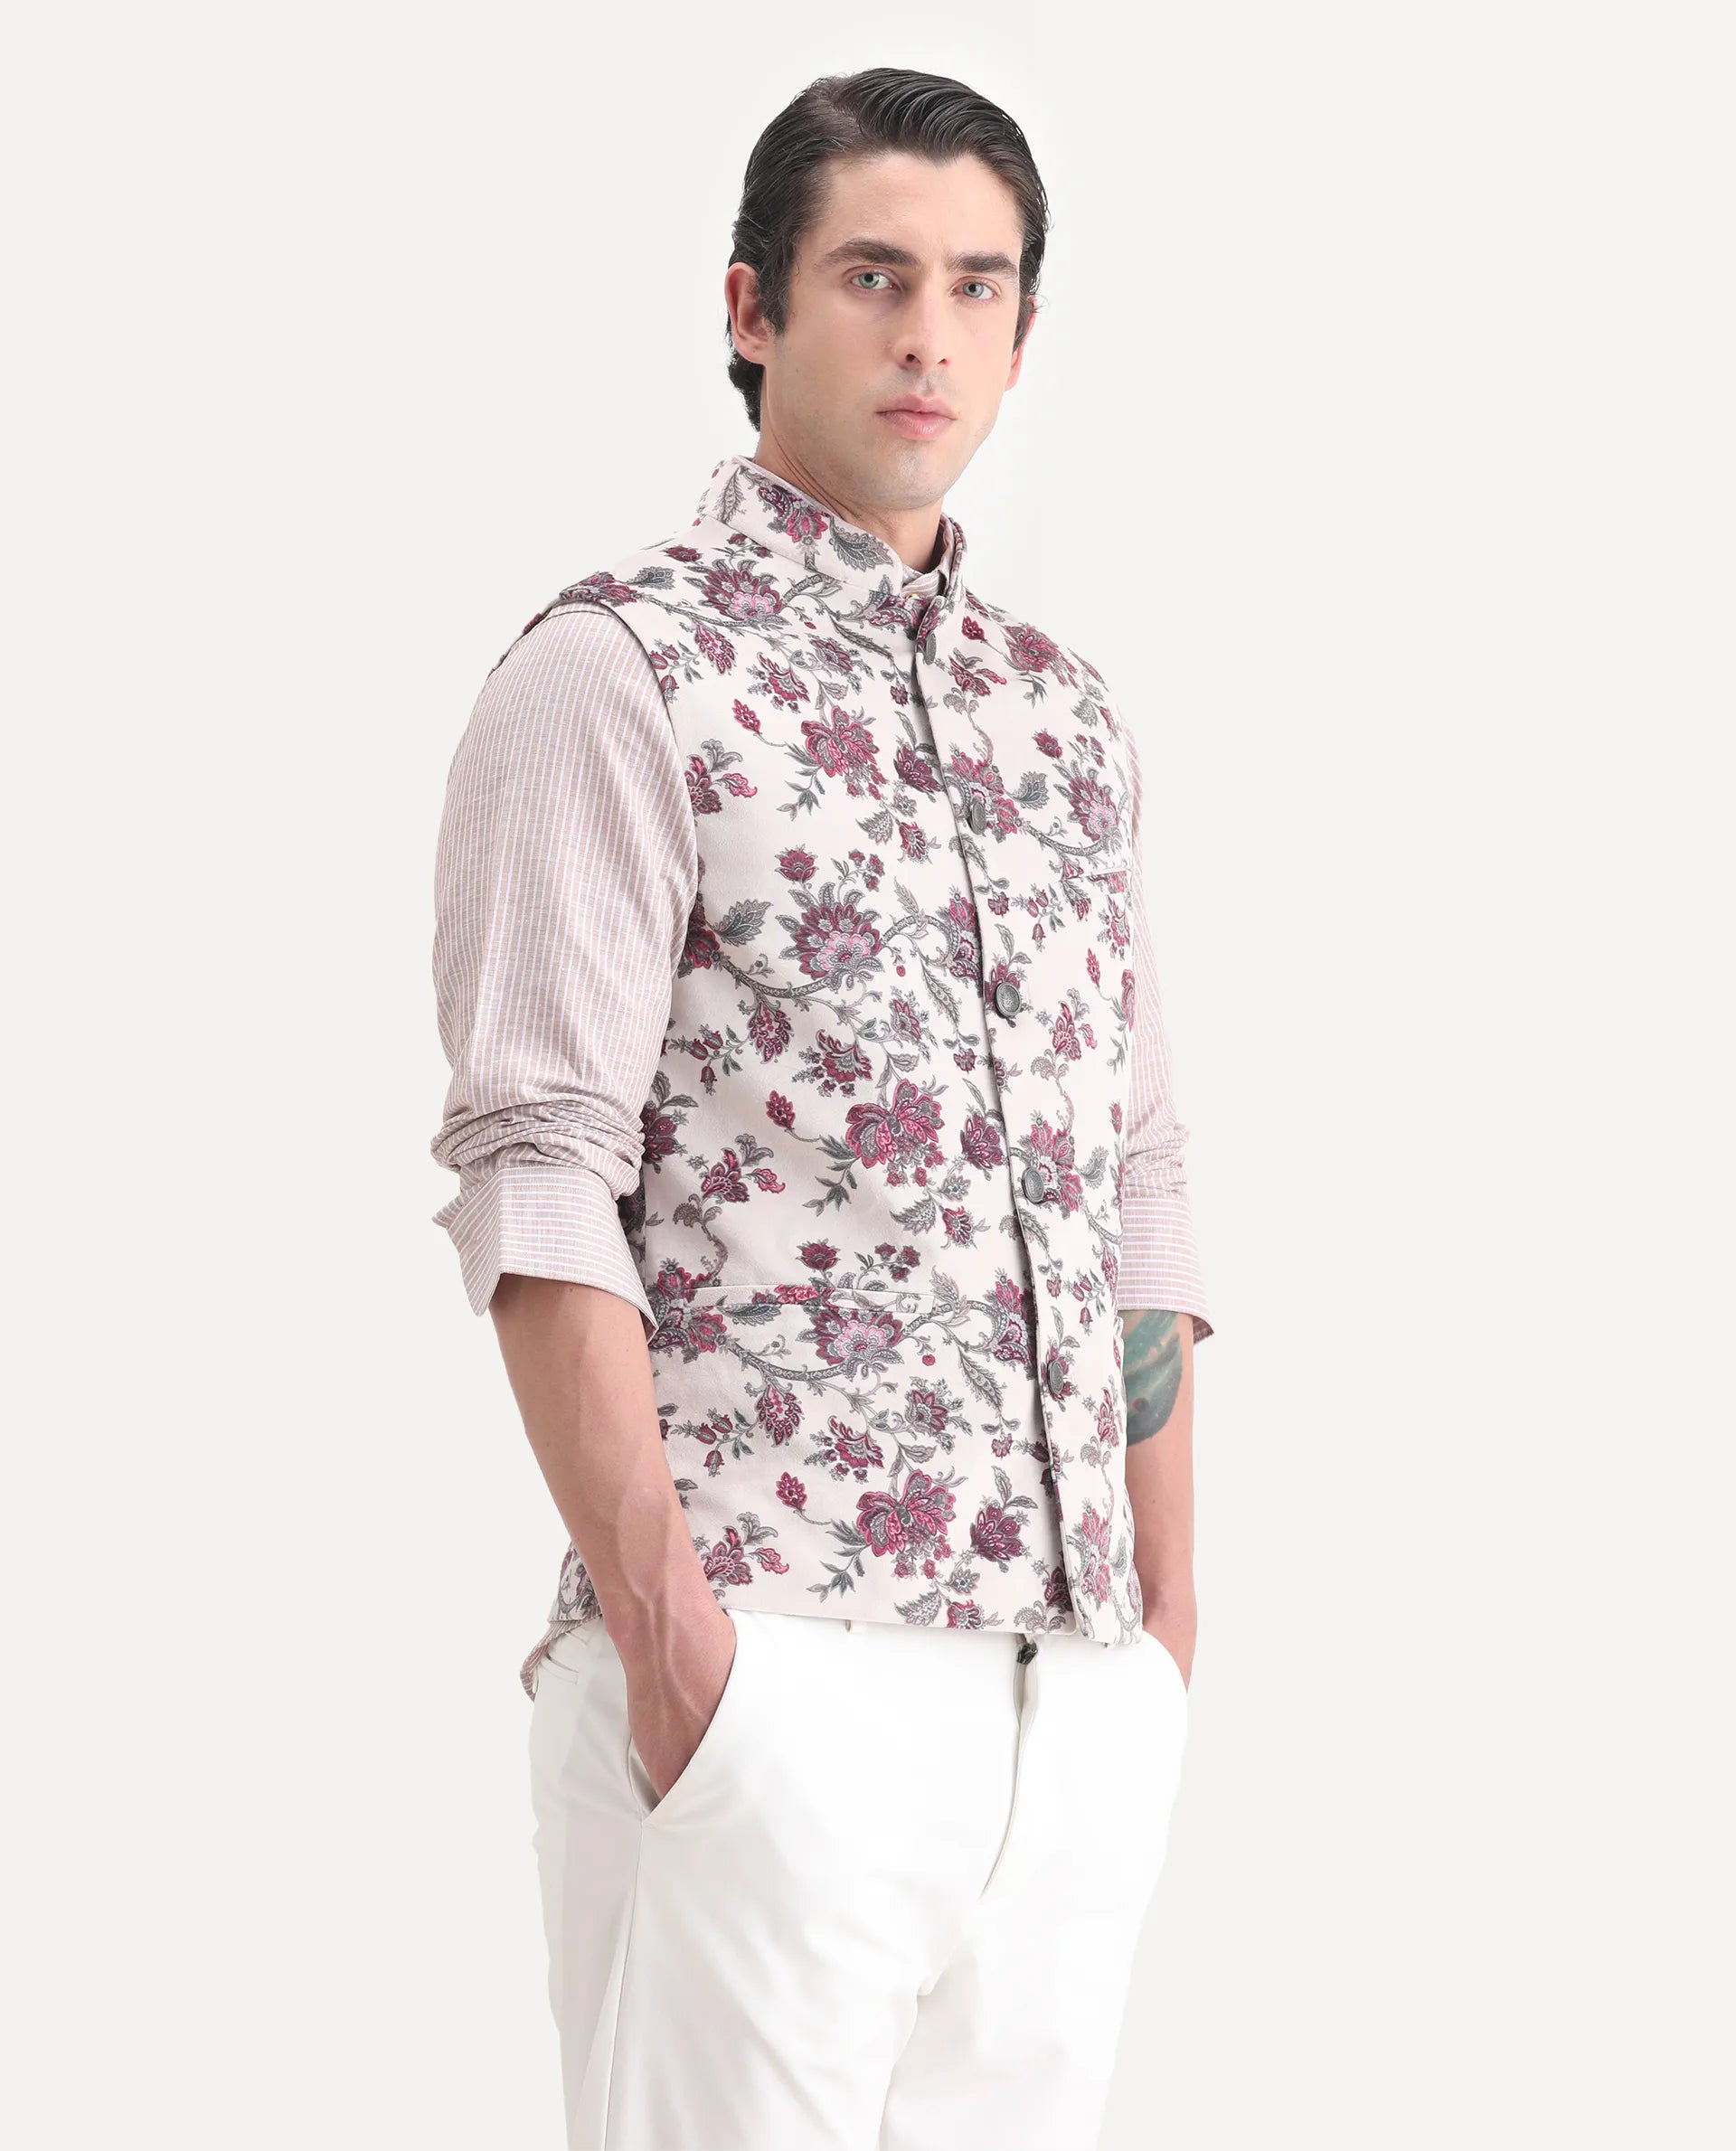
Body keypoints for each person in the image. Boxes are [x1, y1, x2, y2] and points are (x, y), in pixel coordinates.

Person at [429, 63, 1214, 2151]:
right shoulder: (617, 674)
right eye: (874, 275)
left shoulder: (1064, 717)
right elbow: (540, 1169)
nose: (929, 333)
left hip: (1070, 1697)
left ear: (1025, 332)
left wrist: (1164, 1633)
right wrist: (685, 1660)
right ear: (753, 306)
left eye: (979, 284)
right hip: (770, 1669)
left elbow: (1133, 1168)